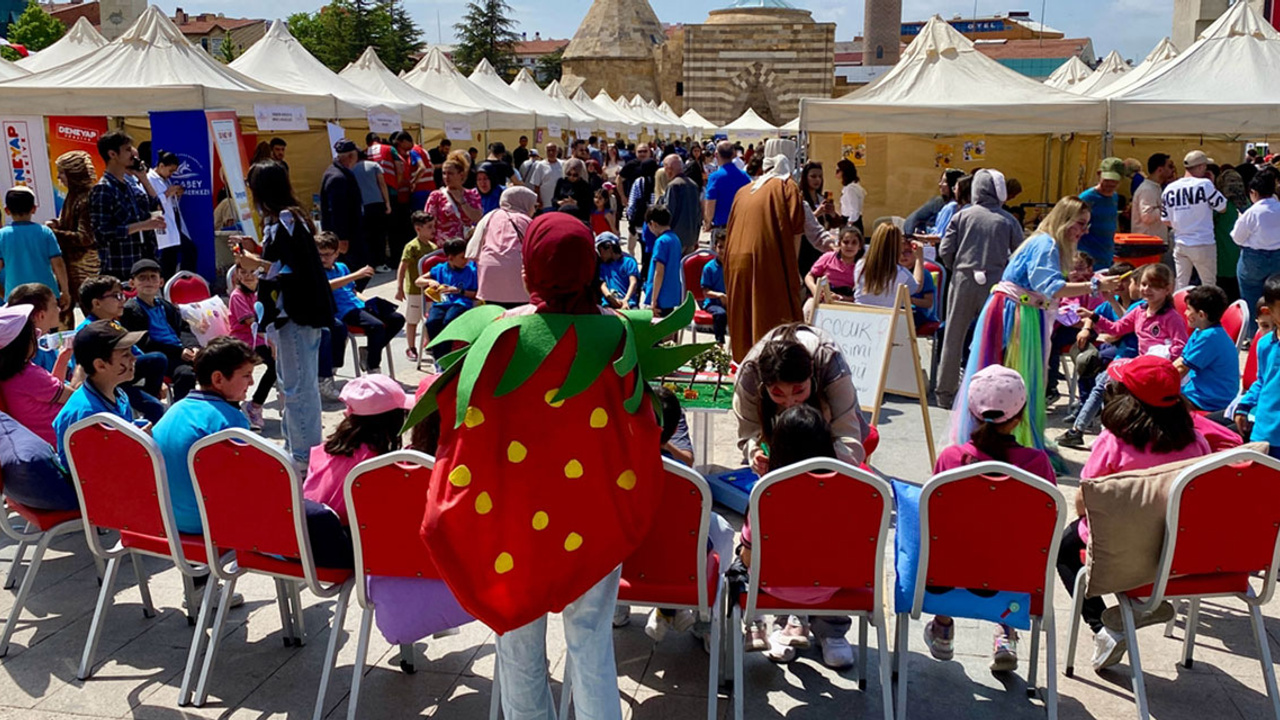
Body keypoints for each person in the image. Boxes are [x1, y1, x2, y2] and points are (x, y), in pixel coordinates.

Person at [415, 212, 668, 720]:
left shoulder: (497, 335)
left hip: (514, 520)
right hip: (592, 518)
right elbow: (642, 423)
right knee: (592, 645)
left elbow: (455, 416)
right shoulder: (617, 337)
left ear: (528, 272)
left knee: (516, 640)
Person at [1062, 355, 1210, 670]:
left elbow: (1083, 501)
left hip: (1122, 555)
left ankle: (1102, 629)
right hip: (1177, 559)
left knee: (1064, 547)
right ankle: (1142, 606)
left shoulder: (1113, 441)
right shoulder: (1197, 442)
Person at [951, 196, 1123, 450]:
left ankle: (1001, 441)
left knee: (1012, 378)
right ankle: (1008, 443)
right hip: (1020, 314)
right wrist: (1095, 285)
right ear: (1064, 221)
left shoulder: (1044, 243)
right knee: (1016, 380)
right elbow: (1052, 287)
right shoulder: (1046, 244)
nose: (1084, 231)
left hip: (1024, 311)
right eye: (1080, 223)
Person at [925, 365, 1055, 672]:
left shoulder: (951, 459)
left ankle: (943, 625)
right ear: (1021, 416)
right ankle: (1005, 633)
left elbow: (933, 519)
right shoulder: (1037, 464)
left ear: (970, 412)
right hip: (1016, 581)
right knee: (1010, 547)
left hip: (950, 578)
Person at [735, 403, 858, 668]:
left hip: (774, 585)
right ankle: (826, 633)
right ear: (827, 443)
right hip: (833, 586)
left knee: (739, 564)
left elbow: (748, 559)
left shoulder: (765, 493)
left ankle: (761, 623)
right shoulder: (853, 492)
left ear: (777, 447)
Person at [230, 161, 336, 466]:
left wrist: (257, 263)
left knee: (296, 388)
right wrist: (258, 253)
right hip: (292, 314)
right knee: (296, 386)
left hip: (296, 314)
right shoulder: (285, 219)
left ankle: (302, 458)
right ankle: (299, 451)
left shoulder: (287, 219)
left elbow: (294, 270)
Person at [1059, 263, 1184, 449]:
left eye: (1154, 286)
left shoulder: (1171, 317)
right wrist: (1094, 318)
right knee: (1103, 382)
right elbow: (1117, 328)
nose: (1147, 289)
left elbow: (1180, 345)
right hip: (1140, 365)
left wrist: (1162, 362)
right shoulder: (1139, 310)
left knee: (1106, 383)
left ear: (1167, 289)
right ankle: (1084, 431)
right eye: (1144, 284)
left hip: (1157, 370)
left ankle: (1085, 431)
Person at [301, 374, 412, 570]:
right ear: (391, 420)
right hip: (344, 549)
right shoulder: (379, 463)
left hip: (304, 543)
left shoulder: (324, 450)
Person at [934, 169, 1025, 407]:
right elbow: (1020, 253)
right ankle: (992, 392)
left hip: (963, 279)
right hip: (995, 283)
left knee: (954, 337)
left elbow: (945, 249)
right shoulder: (1008, 220)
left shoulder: (961, 215)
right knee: (994, 337)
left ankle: (945, 393)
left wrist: (957, 266)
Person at [734, 322, 869, 474]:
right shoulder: (750, 376)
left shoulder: (830, 363)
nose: (790, 403)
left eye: (799, 391)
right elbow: (748, 434)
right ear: (764, 386)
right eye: (778, 394)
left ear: (811, 371)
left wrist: (819, 470)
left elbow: (849, 437)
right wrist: (756, 454)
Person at [153, 337, 257, 534]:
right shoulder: (230, 421)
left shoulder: (175, 410)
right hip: (208, 524)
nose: (251, 382)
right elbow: (247, 481)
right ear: (218, 379)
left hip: (168, 518)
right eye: (246, 375)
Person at [723, 156, 808, 362]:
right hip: (766, 260)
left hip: (734, 262)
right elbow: (797, 230)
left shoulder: (744, 191)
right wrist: (792, 269)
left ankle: (744, 366)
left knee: (743, 319)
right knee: (771, 318)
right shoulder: (787, 187)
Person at [74, 275, 166, 424]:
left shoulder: (115, 326)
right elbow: (82, 369)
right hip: (106, 383)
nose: (122, 299)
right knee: (154, 406)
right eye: (116, 296)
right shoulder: (86, 333)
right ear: (97, 303)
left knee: (156, 362)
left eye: (123, 295)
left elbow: (136, 354)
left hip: (120, 379)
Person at [52, 320, 144, 468]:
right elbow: (93, 473)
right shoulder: (87, 416)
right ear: (100, 365)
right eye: (125, 354)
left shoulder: (119, 395)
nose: (134, 358)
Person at [317, 232, 405, 376]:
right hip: (342, 310)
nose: (323, 259)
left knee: (397, 319)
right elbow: (326, 286)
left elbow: (353, 290)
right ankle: (373, 366)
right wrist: (357, 275)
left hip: (357, 305)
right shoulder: (318, 271)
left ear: (336, 253)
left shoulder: (342, 267)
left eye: (327, 254)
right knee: (376, 327)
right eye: (320, 255)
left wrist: (369, 301)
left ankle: (370, 350)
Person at [88, 130, 164, 280]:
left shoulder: (128, 186)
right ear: (112, 154)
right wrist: (142, 226)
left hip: (143, 262)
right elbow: (103, 233)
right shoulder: (103, 189)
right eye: (128, 150)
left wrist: (143, 178)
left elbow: (156, 207)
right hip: (120, 268)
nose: (133, 156)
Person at [120, 259, 197, 401]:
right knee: (186, 374)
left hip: (181, 352)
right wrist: (178, 352)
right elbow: (144, 342)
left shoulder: (166, 306)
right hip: (161, 357)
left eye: (152, 277)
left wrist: (192, 347)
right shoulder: (131, 310)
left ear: (161, 282)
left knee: (219, 361)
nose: (148, 281)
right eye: (142, 278)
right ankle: (181, 413)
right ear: (132, 283)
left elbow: (184, 329)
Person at [0, 304, 73, 445]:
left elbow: (51, 390)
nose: (39, 334)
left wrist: (63, 359)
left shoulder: (13, 373)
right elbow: (72, 397)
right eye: (34, 333)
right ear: (22, 344)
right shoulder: (29, 375)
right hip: (63, 441)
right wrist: (83, 367)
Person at [48, 150, 100, 329]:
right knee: (65, 305)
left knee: (91, 307)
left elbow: (85, 238)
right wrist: (58, 225)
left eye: (62, 173)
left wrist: (54, 232)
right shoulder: (73, 195)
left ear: (73, 173)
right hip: (71, 260)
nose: (59, 177)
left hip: (85, 263)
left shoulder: (86, 198)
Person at [1163, 150, 1228, 290]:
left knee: (1181, 284)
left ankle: (1177, 310)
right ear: (1200, 167)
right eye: (1205, 166)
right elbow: (1222, 207)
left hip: (1180, 242)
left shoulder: (1169, 188)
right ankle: (1208, 311)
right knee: (1209, 285)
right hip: (1202, 242)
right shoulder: (1204, 184)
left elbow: (1166, 220)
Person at [468, 186, 536, 309]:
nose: (534, 209)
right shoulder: (525, 220)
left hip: (488, 272)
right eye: (533, 205)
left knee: (495, 314)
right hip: (516, 273)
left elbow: (472, 249)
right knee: (517, 315)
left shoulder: (489, 216)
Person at [1236, 273, 1280, 459]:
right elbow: (1262, 381)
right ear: (1268, 310)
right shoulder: (1264, 344)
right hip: (1264, 433)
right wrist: (1243, 406)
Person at [1175, 284, 1239, 413]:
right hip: (1197, 391)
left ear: (1201, 315)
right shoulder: (1201, 331)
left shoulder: (1210, 337)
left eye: (1188, 309)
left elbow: (1181, 369)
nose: (1185, 313)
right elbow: (1181, 360)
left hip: (1210, 400)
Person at [0, 187, 69, 307]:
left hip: (16, 297)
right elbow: (58, 264)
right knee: (47, 325)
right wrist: (65, 291)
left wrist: (4, 294)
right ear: (34, 209)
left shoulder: (2, 235)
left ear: (7, 210)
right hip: (46, 295)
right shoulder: (45, 232)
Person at [227, 264, 274, 431]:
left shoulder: (262, 292)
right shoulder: (237, 296)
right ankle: (255, 405)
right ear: (238, 276)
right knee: (275, 366)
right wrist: (273, 343)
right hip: (245, 340)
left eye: (252, 272)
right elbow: (253, 326)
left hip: (263, 338)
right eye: (243, 272)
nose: (248, 276)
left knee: (285, 362)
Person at [1233, 171, 1280, 335]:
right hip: (1277, 257)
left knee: (1250, 297)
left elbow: (1237, 238)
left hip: (1253, 258)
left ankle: (1254, 334)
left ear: (1253, 192)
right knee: (1276, 298)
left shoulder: (1251, 212)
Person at [419, 238, 477, 359]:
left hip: (461, 303)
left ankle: (445, 356)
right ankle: (438, 357)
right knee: (432, 322)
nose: (465, 260)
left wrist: (459, 291)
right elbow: (418, 281)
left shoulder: (471, 270)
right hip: (442, 303)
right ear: (450, 258)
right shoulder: (440, 269)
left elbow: (476, 294)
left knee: (448, 321)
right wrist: (430, 281)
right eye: (462, 257)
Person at [322, 139, 372, 270]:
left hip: (351, 232)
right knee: (357, 268)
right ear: (351, 156)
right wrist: (341, 238)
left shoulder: (339, 172)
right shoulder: (338, 178)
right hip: (346, 236)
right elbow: (337, 210)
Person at [396, 211, 438, 362]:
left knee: (429, 318)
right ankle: (411, 347)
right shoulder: (411, 247)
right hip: (415, 291)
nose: (433, 230)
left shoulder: (433, 247)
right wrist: (399, 288)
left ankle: (429, 344)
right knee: (412, 319)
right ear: (418, 228)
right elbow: (403, 267)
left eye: (434, 226)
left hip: (429, 291)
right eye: (429, 227)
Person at [146, 151, 195, 276]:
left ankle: (182, 280)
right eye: (170, 171)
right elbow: (151, 202)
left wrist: (176, 195)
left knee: (180, 252)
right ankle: (169, 284)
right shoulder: (149, 179)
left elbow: (169, 202)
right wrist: (167, 193)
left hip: (173, 220)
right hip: (162, 221)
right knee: (170, 255)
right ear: (161, 166)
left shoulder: (165, 179)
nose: (171, 174)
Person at [854, 223, 923, 308]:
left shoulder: (860, 265)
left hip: (860, 316)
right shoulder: (901, 274)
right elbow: (917, 287)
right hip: (887, 318)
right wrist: (919, 258)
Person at [348, 143, 392, 274]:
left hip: (361, 206)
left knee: (367, 236)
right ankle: (381, 262)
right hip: (377, 204)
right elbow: (382, 185)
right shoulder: (374, 166)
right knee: (380, 235)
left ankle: (369, 263)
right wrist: (387, 203)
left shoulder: (351, 169)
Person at [424, 150, 482, 243]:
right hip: (442, 248)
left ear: (461, 175)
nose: (446, 177)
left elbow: (477, 217)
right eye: (444, 173)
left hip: (465, 247)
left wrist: (462, 201)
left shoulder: (472, 194)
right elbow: (428, 224)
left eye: (450, 173)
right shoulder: (436, 196)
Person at [703, 140, 752, 249]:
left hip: (721, 228)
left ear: (716, 155)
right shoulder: (745, 177)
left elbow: (710, 203)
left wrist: (708, 223)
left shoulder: (715, 177)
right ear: (734, 154)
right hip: (740, 227)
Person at [1078, 158, 1123, 269]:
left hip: (1106, 257)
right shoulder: (1087, 198)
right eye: (1107, 179)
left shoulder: (1114, 197)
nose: (1111, 184)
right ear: (1099, 174)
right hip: (1088, 260)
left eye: (1114, 180)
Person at [643, 205, 683, 316]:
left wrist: (653, 300)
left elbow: (659, 271)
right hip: (671, 294)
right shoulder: (675, 239)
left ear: (653, 224)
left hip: (661, 296)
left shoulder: (661, 242)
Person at [805, 226, 863, 301]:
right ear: (839, 244)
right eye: (846, 242)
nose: (849, 246)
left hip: (846, 303)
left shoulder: (862, 266)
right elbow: (809, 276)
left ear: (860, 246)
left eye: (854, 243)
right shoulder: (828, 257)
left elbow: (862, 296)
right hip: (821, 299)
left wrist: (841, 298)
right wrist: (815, 290)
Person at [659, 154, 702, 254]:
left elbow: (669, 211)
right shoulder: (693, 184)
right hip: (691, 237)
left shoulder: (673, 185)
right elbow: (699, 213)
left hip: (675, 237)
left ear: (669, 169)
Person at [1131, 153, 1174, 249]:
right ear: (1160, 170)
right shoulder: (1147, 189)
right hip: (1147, 245)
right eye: (1170, 166)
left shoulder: (1155, 187)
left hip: (1154, 244)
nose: (1173, 170)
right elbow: (1147, 216)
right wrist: (1170, 206)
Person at [904, 169, 961, 237]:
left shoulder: (954, 206)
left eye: (944, 181)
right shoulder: (939, 203)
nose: (940, 184)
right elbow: (913, 219)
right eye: (940, 181)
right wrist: (910, 236)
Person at [596, 233, 640, 309]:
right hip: (608, 304)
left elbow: (633, 282)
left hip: (629, 303)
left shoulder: (629, 262)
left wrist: (626, 299)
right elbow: (603, 285)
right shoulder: (603, 266)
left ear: (609, 247)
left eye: (601, 251)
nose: (600, 255)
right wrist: (611, 299)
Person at [700, 232, 728, 344]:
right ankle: (719, 343)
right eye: (720, 247)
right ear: (714, 247)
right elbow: (705, 292)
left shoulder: (732, 266)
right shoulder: (709, 268)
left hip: (730, 303)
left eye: (726, 247)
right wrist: (719, 295)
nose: (723, 251)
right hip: (713, 304)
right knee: (720, 314)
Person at [553, 157, 593, 224]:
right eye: (569, 174)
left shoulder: (584, 185)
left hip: (579, 218)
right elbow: (554, 199)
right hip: (562, 216)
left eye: (575, 175)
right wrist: (559, 202)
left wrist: (575, 203)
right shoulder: (561, 182)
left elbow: (589, 204)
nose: (571, 177)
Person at [528, 142, 565, 210]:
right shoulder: (540, 165)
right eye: (549, 150)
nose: (551, 153)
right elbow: (536, 186)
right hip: (546, 203)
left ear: (557, 151)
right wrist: (538, 200)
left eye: (553, 150)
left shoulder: (563, 164)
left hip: (560, 203)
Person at [835, 158, 866, 233]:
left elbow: (854, 210)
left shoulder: (851, 189)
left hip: (852, 222)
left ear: (844, 172)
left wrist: (848, 225)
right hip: (850, 220)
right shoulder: (850, 187)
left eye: (838, 171)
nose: (836, 174)